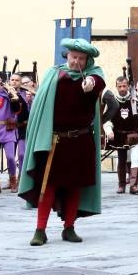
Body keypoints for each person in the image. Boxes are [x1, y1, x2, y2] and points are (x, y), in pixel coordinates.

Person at [19, 38, 105, 246]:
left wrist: (90, 85)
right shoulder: (53, 75)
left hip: (80, 141)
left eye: (81, 59)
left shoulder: (94, 76)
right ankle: (40, 230)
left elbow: (97, 83)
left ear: (87, 60)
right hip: (54, 142)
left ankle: (69, 228)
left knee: (75, 186)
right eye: (74, 57)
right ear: (67, 56)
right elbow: (40, 109)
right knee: (48, 187)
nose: (76, 62)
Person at [102, 76, 138, 195]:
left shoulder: (135, 97)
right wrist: (108, 130)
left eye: (124, 86)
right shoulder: (112, 101)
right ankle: (121, 185)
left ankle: (134, 186)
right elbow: (106, 119)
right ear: (116, 86)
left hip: (135, 134)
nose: (122, 88)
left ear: (128, 86)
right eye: (120, 86)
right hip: (120, 135)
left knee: (136, 159)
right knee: (121, 160)